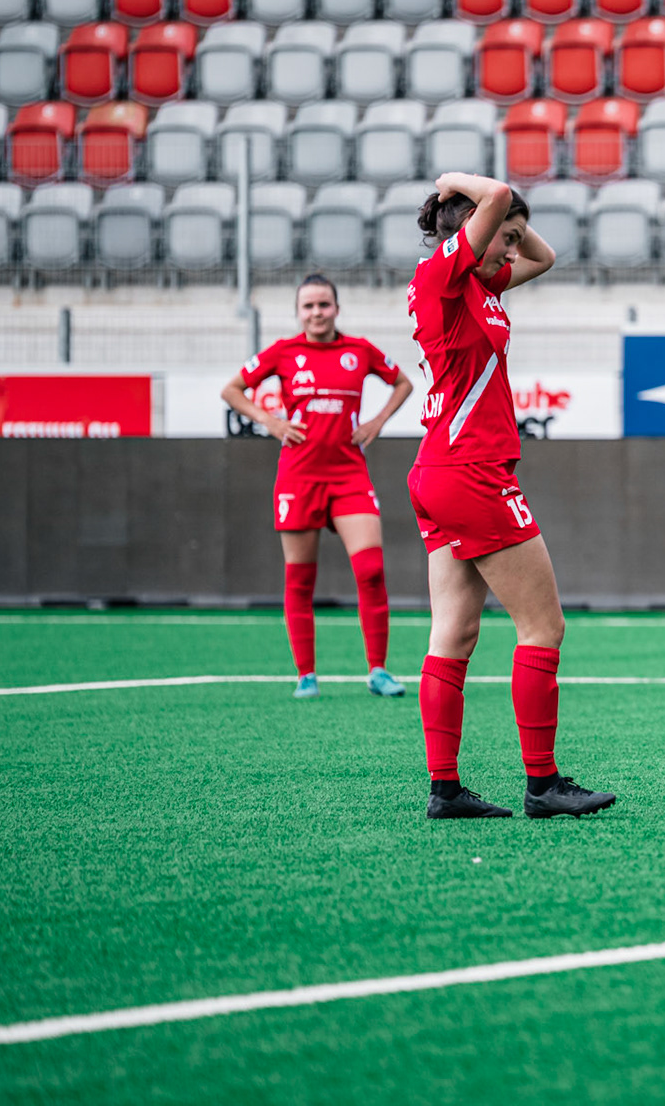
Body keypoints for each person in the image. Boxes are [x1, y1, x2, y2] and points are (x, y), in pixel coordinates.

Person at [407, 171, 615, 821]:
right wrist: (453, 185)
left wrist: (516, 229)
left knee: (455, 632)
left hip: (444, 469)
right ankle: (543, 784)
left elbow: (545, 258)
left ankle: (445, 790)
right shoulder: (440, 277)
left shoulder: (479, 286)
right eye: (505, 240)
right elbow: (494, 193)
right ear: (473, 231)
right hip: (472, 470)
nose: (512, 251)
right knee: (543, 626)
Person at [222, 274, 415, 701]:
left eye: (323, 305)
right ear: (298, 312)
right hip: (298, 477)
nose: (316, 313)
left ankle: (378, 670)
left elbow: (404, 382)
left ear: (337, 309)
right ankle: (306, 674)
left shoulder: (359, 351)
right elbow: (232, 390)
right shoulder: (282, 352)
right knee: (300, 580)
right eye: (308, 306)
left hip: (349, 477)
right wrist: (271, 422)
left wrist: (376, 422)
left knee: (371, 571)